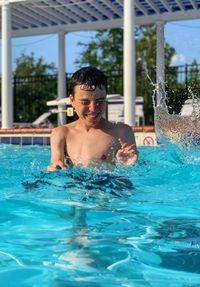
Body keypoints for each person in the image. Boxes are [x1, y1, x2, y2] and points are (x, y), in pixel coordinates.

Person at [48, 67, 138, 171]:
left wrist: (126, 166)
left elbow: (135, 173)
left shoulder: (122, 133)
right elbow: (55, 165)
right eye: (85, 102)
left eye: (100, 100)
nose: (93, 108)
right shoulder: (61, 133)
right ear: (72, 100)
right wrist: (55, 168)